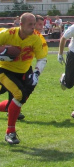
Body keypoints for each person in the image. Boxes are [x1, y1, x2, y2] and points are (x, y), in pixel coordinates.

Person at [0, 13, 47, 144]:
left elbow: (42, 58)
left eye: (34, 24)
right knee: (19, 95)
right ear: (21, 24)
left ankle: (10, 127)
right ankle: (10, 133)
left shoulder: (36, 38)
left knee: (19, 101)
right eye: (30, 24)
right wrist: (3, 54)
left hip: (25, 71)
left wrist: (36, 73)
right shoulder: (8, 34)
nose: (33, 27)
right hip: (5, 70)